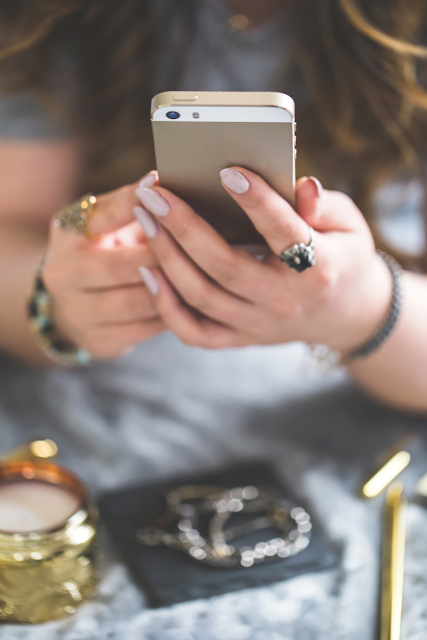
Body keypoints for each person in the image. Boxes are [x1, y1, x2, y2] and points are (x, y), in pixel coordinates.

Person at [0, 1, 426, 638]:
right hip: (99, 431)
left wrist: (363, 307)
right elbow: (14, 230)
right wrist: (56, 303)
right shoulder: (49, 14)